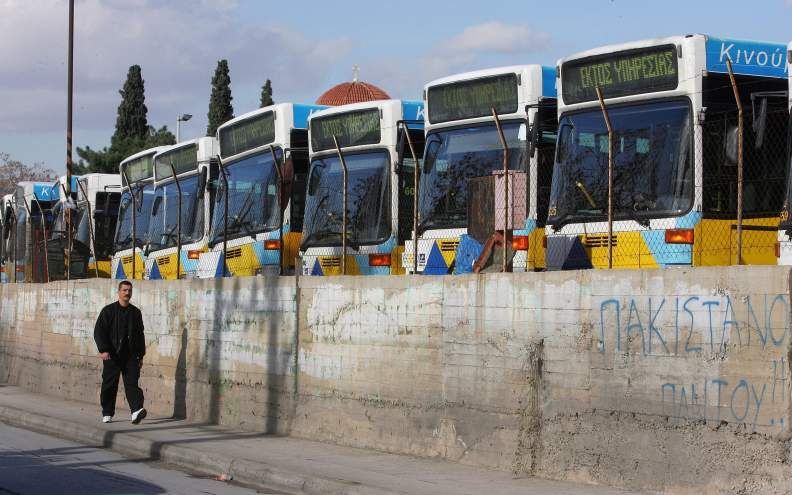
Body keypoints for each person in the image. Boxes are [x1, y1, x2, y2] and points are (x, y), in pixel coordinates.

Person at [93, 280, 147, 424]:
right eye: (124, 290)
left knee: (132, 384)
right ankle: (107, 412)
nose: (127, 293)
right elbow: (99, 331)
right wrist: (103, 350)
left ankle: (136, 411)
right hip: (112, 355)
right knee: (110, 385)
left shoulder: (135, 313)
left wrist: (140, 355)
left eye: (129, 290)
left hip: (130, 356)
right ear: (118, 292)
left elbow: (140, 335)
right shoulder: (108, 311)